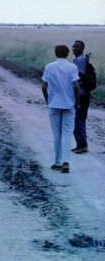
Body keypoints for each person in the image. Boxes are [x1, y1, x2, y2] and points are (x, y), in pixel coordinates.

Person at [42, 45, 80, 173]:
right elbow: (75, 86)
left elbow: (44, 86)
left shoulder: (49, 67)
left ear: (55, 53)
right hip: (69, 104)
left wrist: (48, 100)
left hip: (54, 104)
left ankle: (57, 162)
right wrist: (77, 102)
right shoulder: (72, 67)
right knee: (67, 133)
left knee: (56, 134)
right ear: (68, 53)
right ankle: (66, 161)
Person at [72, 40, 89, 154]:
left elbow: (80, 76)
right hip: (81, 93)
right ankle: (80, 144)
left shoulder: (80, 60)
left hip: (81, 94)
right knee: (78, 119)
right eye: (73, 46)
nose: (74, 48)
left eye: (77, 47)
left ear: (82, 48)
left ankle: (82, 145)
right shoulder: (78, 59)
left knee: (79, 119)